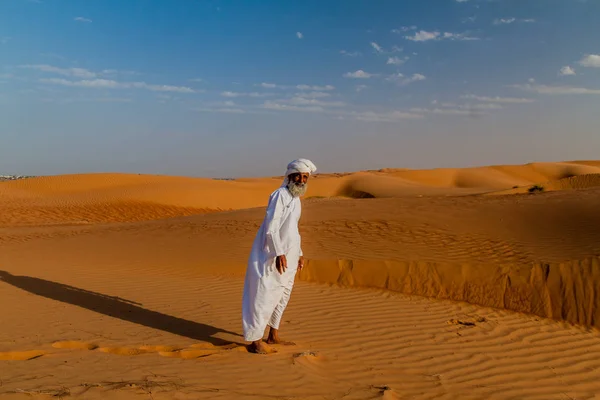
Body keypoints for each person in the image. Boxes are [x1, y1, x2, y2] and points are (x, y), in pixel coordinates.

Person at [241, 158, 317, 354]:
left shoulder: (296, 200)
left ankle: (273, 335)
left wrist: (299, 253)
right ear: (290, 176)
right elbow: (271, 227)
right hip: (270, 255)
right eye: (298, 176)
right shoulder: (279, 196)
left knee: (283, 294)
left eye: (305, 177)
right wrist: (278, 252)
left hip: (289, 256)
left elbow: (293, 230)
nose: (301, 180)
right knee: (263, 294)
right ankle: (255, 340)